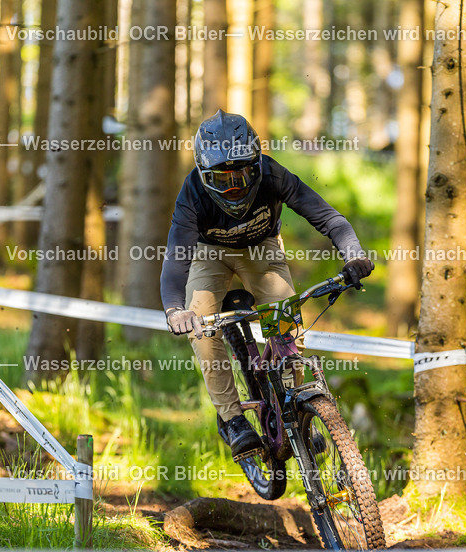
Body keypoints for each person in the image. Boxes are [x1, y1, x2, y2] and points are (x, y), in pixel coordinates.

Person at [159, 110, 373, 458]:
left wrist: (354, 255)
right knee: (202, 326)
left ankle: (296, 410)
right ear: (204, 174)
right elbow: (174, 262)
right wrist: (174, 310)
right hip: (209, 254)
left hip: (261, 250)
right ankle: (232, 419)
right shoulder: (193, 194)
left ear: (256, 165)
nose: (234, 186)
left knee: (289, 324)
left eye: (242, 174)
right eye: (223, 178)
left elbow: (329, 217)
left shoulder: (273, 174)